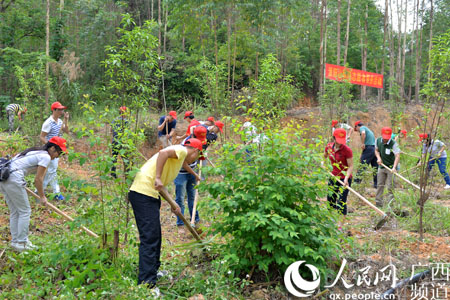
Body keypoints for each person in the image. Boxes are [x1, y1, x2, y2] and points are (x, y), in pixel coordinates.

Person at [128, 138, 202, 296]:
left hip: (150, 194)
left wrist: (173, 203)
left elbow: (161, 186)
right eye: (197, 157)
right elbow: (162, 153)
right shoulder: (181, 150)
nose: (195, 160)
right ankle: (147, 284)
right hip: (142, 194)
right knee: (149, 238)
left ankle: (153, 272)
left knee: (156, 236)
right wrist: (158, 177)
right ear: (195, 151)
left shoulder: (180, 157)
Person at [0, 137, 67, 252]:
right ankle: (21, 242)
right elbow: (38, 180)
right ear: (52, 148)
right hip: (13, 177)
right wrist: (42, 196)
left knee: (16, 211)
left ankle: (16, 242)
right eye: (59, 152)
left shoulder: (35, 151)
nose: (58, 156)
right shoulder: (45, 157)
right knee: (25, 211)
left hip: (4, 176)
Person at [173, 127, 207, 228]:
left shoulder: (199, 143)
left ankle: (195, 219)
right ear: (193, 135)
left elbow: (200, 157)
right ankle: (180, 223)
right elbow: (184, 164)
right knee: (180, 198)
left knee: (192, 196)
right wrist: (195, 174)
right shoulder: (185, 145)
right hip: (181, 174)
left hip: (191, 174)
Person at [40, 101, 69, 200]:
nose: (61, 111)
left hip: (56, 150)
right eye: (59, 109)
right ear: (54, 110)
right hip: (50, 151)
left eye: (62, 109)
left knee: (51, 171)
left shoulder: (60, 121)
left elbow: (66, 131)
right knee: (52, 170)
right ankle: (55, 192)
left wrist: (66, 120)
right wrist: (50, 148)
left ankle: (40, 190)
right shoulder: (48, 123)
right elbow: (42, 137)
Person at [324, 128, 353, 229]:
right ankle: (331, 222)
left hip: (344, 179)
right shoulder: (328, 147)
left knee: (341, 201)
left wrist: (346, 178)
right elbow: (325, 157)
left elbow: (351, 166)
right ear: (334, 138)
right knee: (330, 199)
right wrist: (323, 164)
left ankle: (340, 226)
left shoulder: (347, 150)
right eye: (338, 140)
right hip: (333, 177)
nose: (340, 143)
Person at [374, 127, 401, 207]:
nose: (385, 139)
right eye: (384, 137)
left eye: (387, 137)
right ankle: (378, 203)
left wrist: (394, 167)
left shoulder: (393, 144)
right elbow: (376, 150)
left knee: (390, 186)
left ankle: (390, 204)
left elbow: (397, 155)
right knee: (380, 185)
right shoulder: (378, 140)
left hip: (391, 168)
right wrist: (379, 158)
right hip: (382, 167)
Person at [354, 121, 378, 188]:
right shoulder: (369, 130)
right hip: (373, 148)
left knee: (362, 165)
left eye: (356, 129)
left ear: (357, 126)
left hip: (369, 148)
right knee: (375, 167)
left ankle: (356, 183)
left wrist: (362, 143)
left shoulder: (362, 128)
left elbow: (363, 133)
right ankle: (376, 184)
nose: (358, 131)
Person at [111, 106, 130, 178]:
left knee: (114, 158)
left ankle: (113, 173)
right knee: (126, 159)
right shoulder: (126, 121)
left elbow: (111, 130)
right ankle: (127, 174)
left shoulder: (114, 120)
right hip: (122, 143)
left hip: (114, 141)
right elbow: (127, 133)